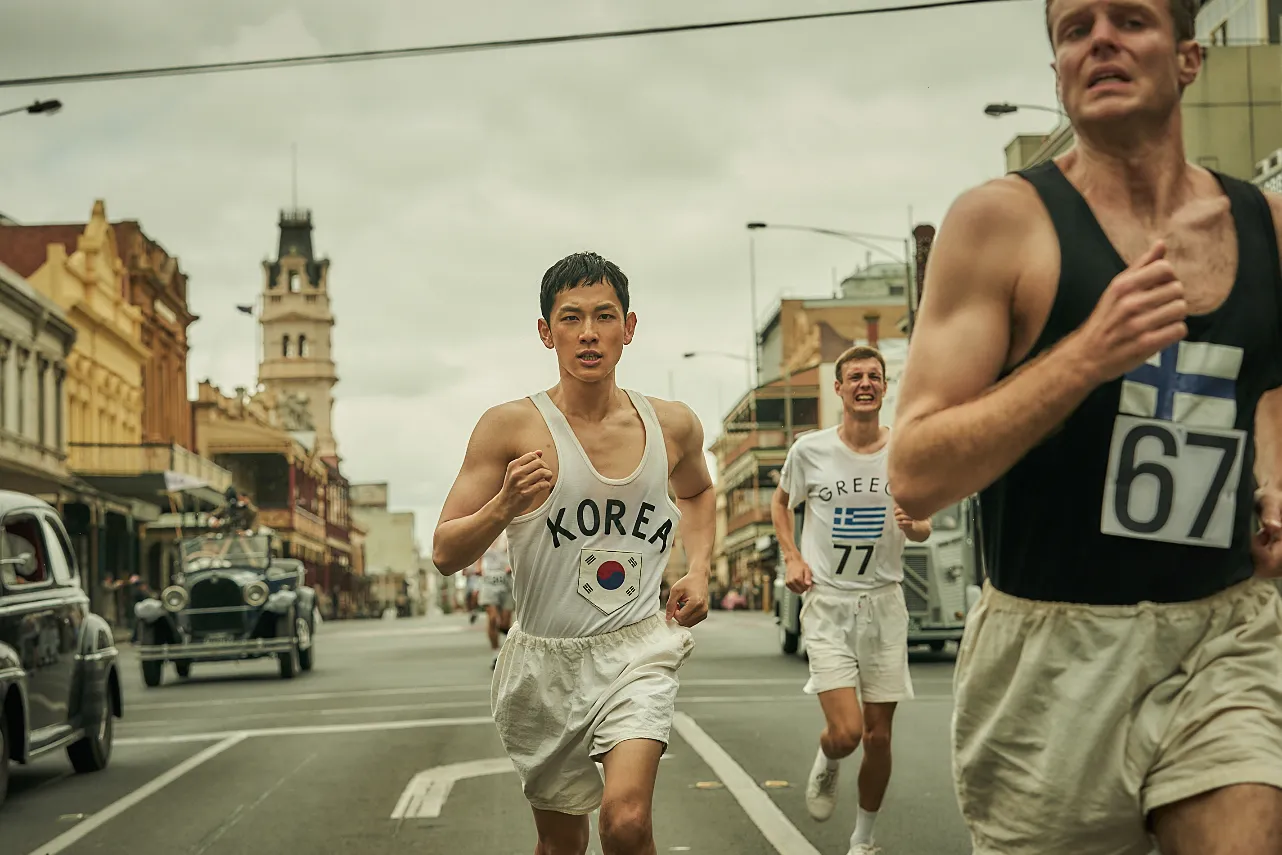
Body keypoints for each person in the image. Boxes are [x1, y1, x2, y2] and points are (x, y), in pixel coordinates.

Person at [888, 1, 1282, 853]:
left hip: (1220, 632)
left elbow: (1268, 384)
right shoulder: (998, 223)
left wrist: (1277, 481)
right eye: (1075, 29)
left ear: (1188, 57)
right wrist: (1085, 355)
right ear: (1060, 73)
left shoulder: (1266, 228)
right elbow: (915, 469)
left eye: (1130, 19)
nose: (1099, 39)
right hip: (1049, 655)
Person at [431, 251, 715, 855]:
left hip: (637, 650)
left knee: (627, 822)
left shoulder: (672, 425)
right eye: (571, 318)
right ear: (546, 332)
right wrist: (502, 508)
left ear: (628, 328)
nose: (589, 333)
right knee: (562, 846)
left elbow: (698, 491)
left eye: (604, 316)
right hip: (545, 662)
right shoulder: (509, 428)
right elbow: (444, 551)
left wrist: (700, 568)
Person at [770, 345, 930, 855]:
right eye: (855, 376)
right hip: (829, 604)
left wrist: (918, 525)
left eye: (874, 376)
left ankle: (863, 840)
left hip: (885, 604)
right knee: (847, 732)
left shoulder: (906, 449)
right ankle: (829, 757)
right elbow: (781, 502)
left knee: (879, 737)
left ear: (885, 388)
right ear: (838, 389)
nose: (865, 383)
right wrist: (793, 557)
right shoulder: (810, 451)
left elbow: (925, 521)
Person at [476, 532, 516, 669]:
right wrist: (478, 567)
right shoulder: (484, 533)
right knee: (492, 618)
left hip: (505, 581)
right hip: (488, 582)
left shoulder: (507, 534)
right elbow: (477, 553)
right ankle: (495, 654)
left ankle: (508, 646)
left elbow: (518, 550)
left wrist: (511, 566)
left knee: (505, 623)